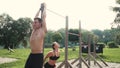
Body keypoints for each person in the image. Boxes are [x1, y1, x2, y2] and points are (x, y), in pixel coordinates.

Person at [25, 3, 47, 68]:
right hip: (31, 55)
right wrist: (39, 9)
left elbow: (43, 17)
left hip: (38, 56)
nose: (33, 23)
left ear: (40, 23)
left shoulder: (42, 30)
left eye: (35, 22)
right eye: (33, 22)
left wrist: (45, 7)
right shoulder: (33, 30)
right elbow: (35, 17)